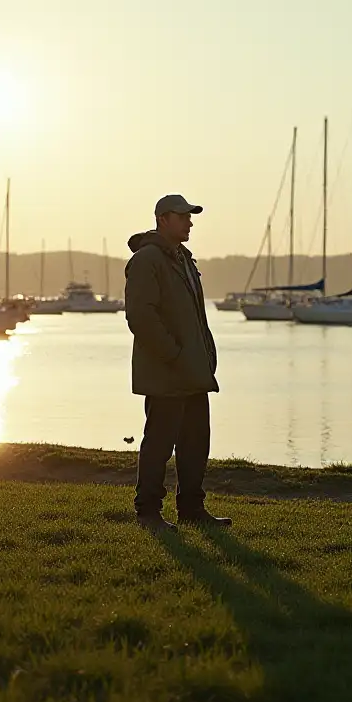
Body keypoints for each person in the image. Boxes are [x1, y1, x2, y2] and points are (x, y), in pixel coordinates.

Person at [124, 194, 229, 532]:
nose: (190, 222)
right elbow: (141, 315)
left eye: (190, 217)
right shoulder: (147, 260)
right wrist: (173, 354)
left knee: (196, 441)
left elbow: (193, 317)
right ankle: (148, 514)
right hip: (166, 372)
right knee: (159, 442)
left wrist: (203, 355)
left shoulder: (182, 258)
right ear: (163, 219)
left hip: (193, 371)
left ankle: (192, 510)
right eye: (183, 217)